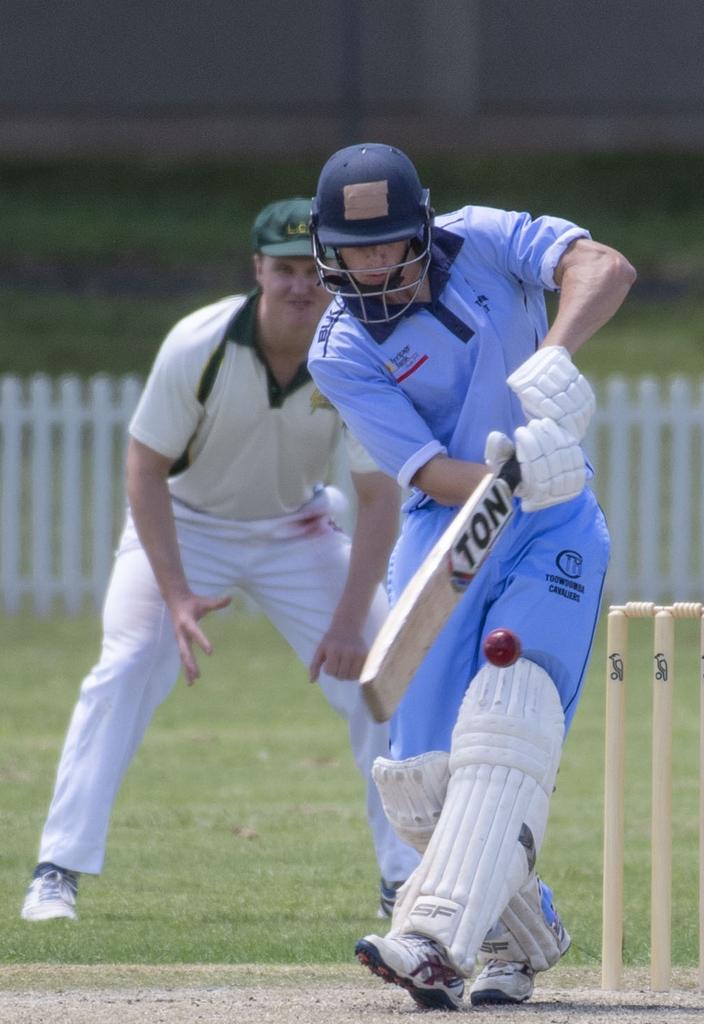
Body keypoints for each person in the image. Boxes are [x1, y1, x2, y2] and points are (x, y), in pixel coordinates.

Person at [20, 196, 420, 924]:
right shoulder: (197, 344)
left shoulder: (355, 348)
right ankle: (57, 870)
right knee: (127, 664)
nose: (301, 286)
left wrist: (346, 625)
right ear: (258, 270)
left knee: (380, 677)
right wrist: (175, 596)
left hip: (296, 526)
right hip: (183, 526)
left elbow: (379, 496)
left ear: (333, 275)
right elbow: (144, 469)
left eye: (313, 271)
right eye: (285, 269)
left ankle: (405, 879)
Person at [307, 144, 636, 1010]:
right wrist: (513, 472)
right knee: (416, 778)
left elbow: (604, 265)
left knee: (509, 701)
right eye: (352, 247)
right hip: (450, 522)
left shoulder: (482, 239)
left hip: (556, 525)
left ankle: (431, 940)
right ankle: (521, 939)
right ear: (327, 248)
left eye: (385, 243)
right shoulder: (338, 350)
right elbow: (422, 473)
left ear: (420, 228)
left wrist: (556, 357)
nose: (371, 263)